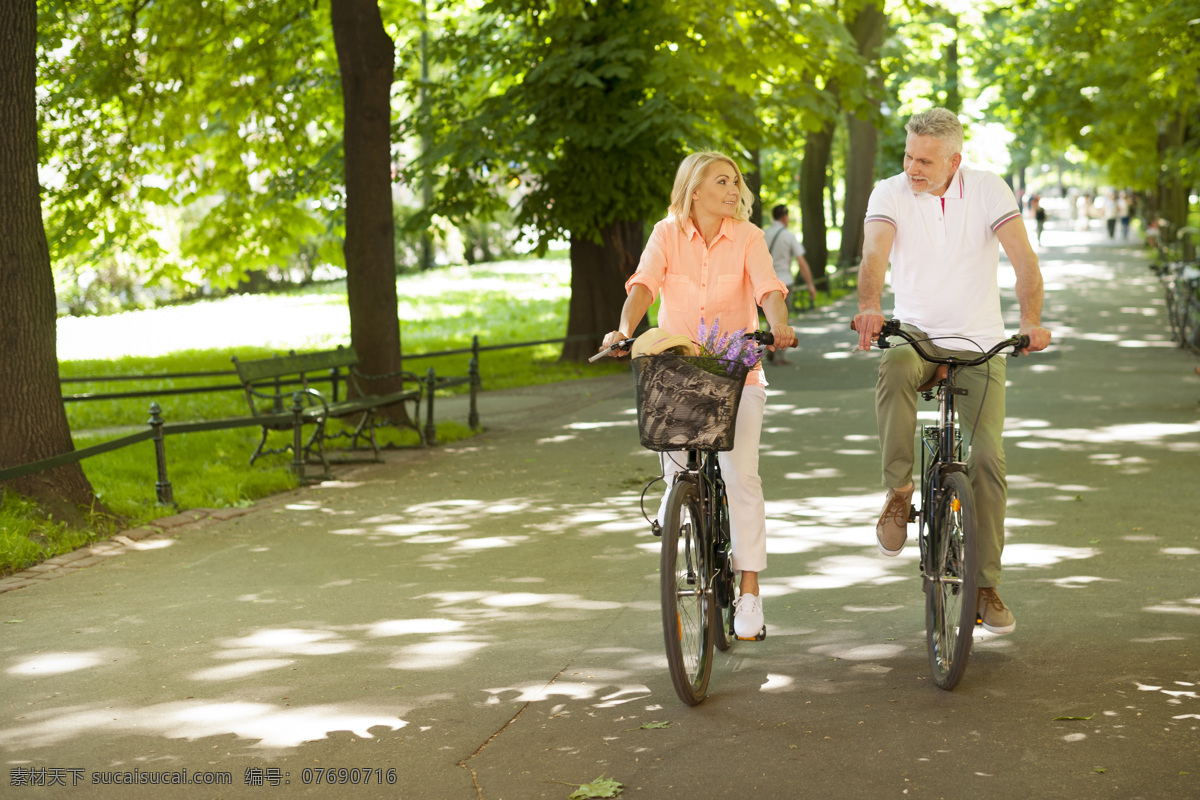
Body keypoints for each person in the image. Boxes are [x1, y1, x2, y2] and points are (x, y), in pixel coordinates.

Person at [852, 108, 1052, 634]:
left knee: (987, 457)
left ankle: (986, 585)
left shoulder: (988, 190)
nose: (913, 167)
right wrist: (870, 305)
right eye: (908, 155)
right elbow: (874, 255)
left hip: (981, 342)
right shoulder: (890, 193)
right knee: (894, 360)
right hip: (916, 335)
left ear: (954, 160)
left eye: (925, 160)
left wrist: (1030, 321)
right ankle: (898, 493)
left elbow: (1024, 261)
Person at [600, 151, 797, 640]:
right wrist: (623, 330)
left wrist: (779, 325)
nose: (734, 190)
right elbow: (644, 286)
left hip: (736, 375)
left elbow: (768, 287)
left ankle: (749, 590)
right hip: (677, 374)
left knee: (739, 474)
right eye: (722, 181)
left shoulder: (749, 237)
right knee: (677, 471)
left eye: (736, 182)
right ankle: (680, 511)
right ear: (694, 191)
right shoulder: (666, 234)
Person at [764, 204, 818, 325]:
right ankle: (777, 343)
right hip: (785, 283)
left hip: (766, 283)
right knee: (782, 322)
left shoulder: (763, 234)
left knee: (771, 321)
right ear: (785, 217)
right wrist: (810, 284)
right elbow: (801, 263)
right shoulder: (789, 236)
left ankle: (769, 343)